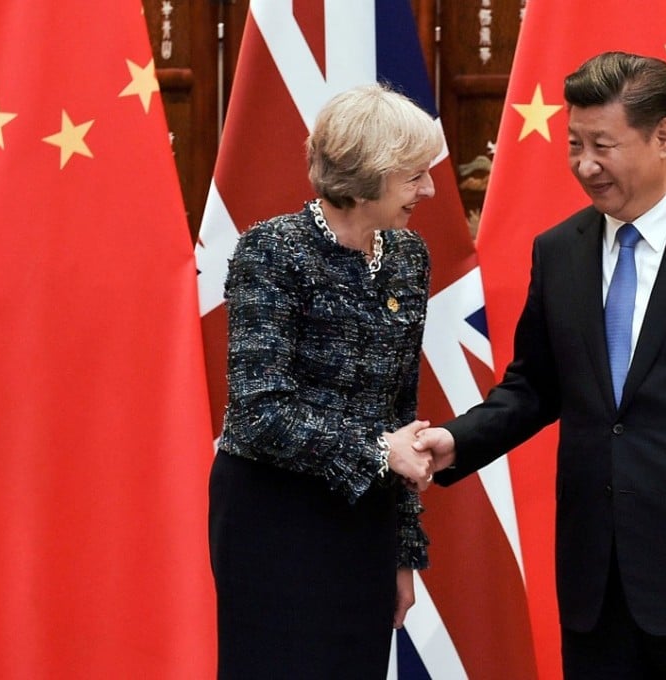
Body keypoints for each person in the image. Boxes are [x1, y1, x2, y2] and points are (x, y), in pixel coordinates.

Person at [416, 52, 666, 678]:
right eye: (574, 144)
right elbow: (533, 387)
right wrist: (454, 439)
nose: (585, 165)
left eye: (602, 145)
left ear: (663, 137)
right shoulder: (560, 251)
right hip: (596, 584)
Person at [208, 83, 442, 678]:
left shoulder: (408, 257)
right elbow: (260, 412)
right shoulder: (273, 250)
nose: (429, 189)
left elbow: (400, 415)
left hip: (365, 519)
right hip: (275, 520)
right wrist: (375, 451)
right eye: (415, 175)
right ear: (371, 175)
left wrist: (403, 556)